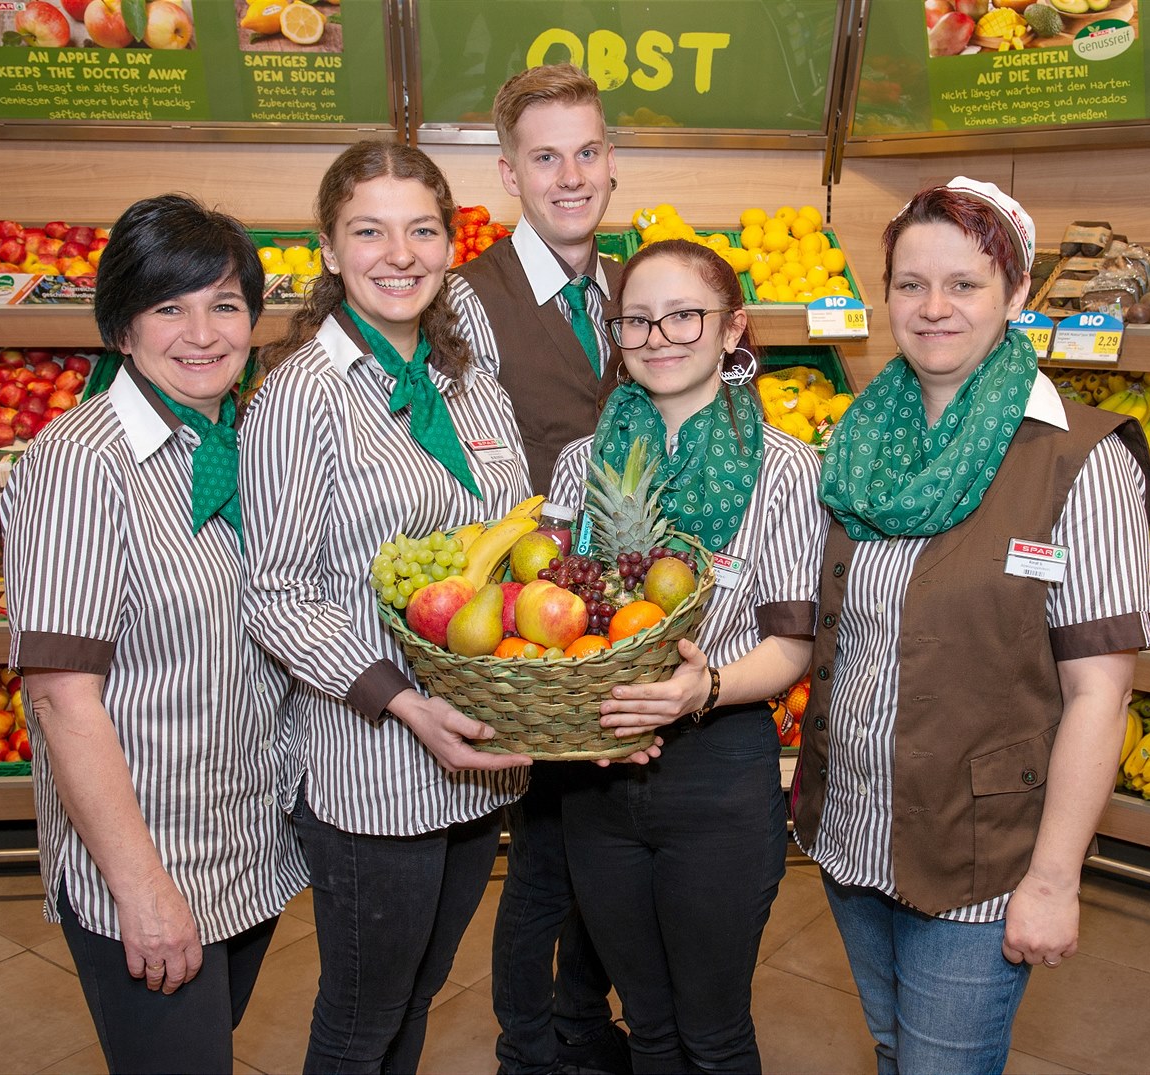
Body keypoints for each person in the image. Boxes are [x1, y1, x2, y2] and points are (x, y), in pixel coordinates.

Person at [793, 178, 1150, 1075]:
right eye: (911, 284)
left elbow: (1100, 693)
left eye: (965, 284)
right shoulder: (857, 443)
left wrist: (1053, 878)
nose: (933, 308)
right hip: (854, 832)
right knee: (893, 1046)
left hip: (983, 858)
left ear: (1017, 294)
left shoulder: (1080, 457)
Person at [238, 141, 533, 1075]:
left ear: (449, 244)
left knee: (417, 995)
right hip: (373, 767)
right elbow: (275, 594)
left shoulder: (469, 380)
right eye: (369, 230)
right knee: (363, 1016)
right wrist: (407, 704)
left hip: (478, 757)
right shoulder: (301, 397)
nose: (398, 253)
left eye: (422, 229)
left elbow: (514, 541)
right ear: (329, 248)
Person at [0, 193, 308, 1074]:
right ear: (122, 328)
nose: (202, 332)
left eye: (225, 304)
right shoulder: (79, 465)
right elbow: (61, 698)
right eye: (169, 307)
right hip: (148, 860)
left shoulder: (241, 442)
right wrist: (141, 889)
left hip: (241, 844)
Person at [548, 238, 829, 1074]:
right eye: (637, 318)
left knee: (711, 1029)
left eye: (684, 315)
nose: (658, 335)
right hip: (598, 767)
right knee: (648, 1021)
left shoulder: (784, 470)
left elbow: (793, 644)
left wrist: (702, 688)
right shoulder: (580, 463)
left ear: (732, 327)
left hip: (717, 773)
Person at [448, 63, 629, 1075]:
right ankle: (532, 1044)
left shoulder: (626, 288)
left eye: (588, 152)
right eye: (546, 157)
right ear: (511, 173)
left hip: (622, 613)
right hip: (531, 622)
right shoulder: (473, 303)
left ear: (612, 164)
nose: (571, 176)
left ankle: (579, 1021)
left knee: (605, 839)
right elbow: (478, 479)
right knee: (549, 852)